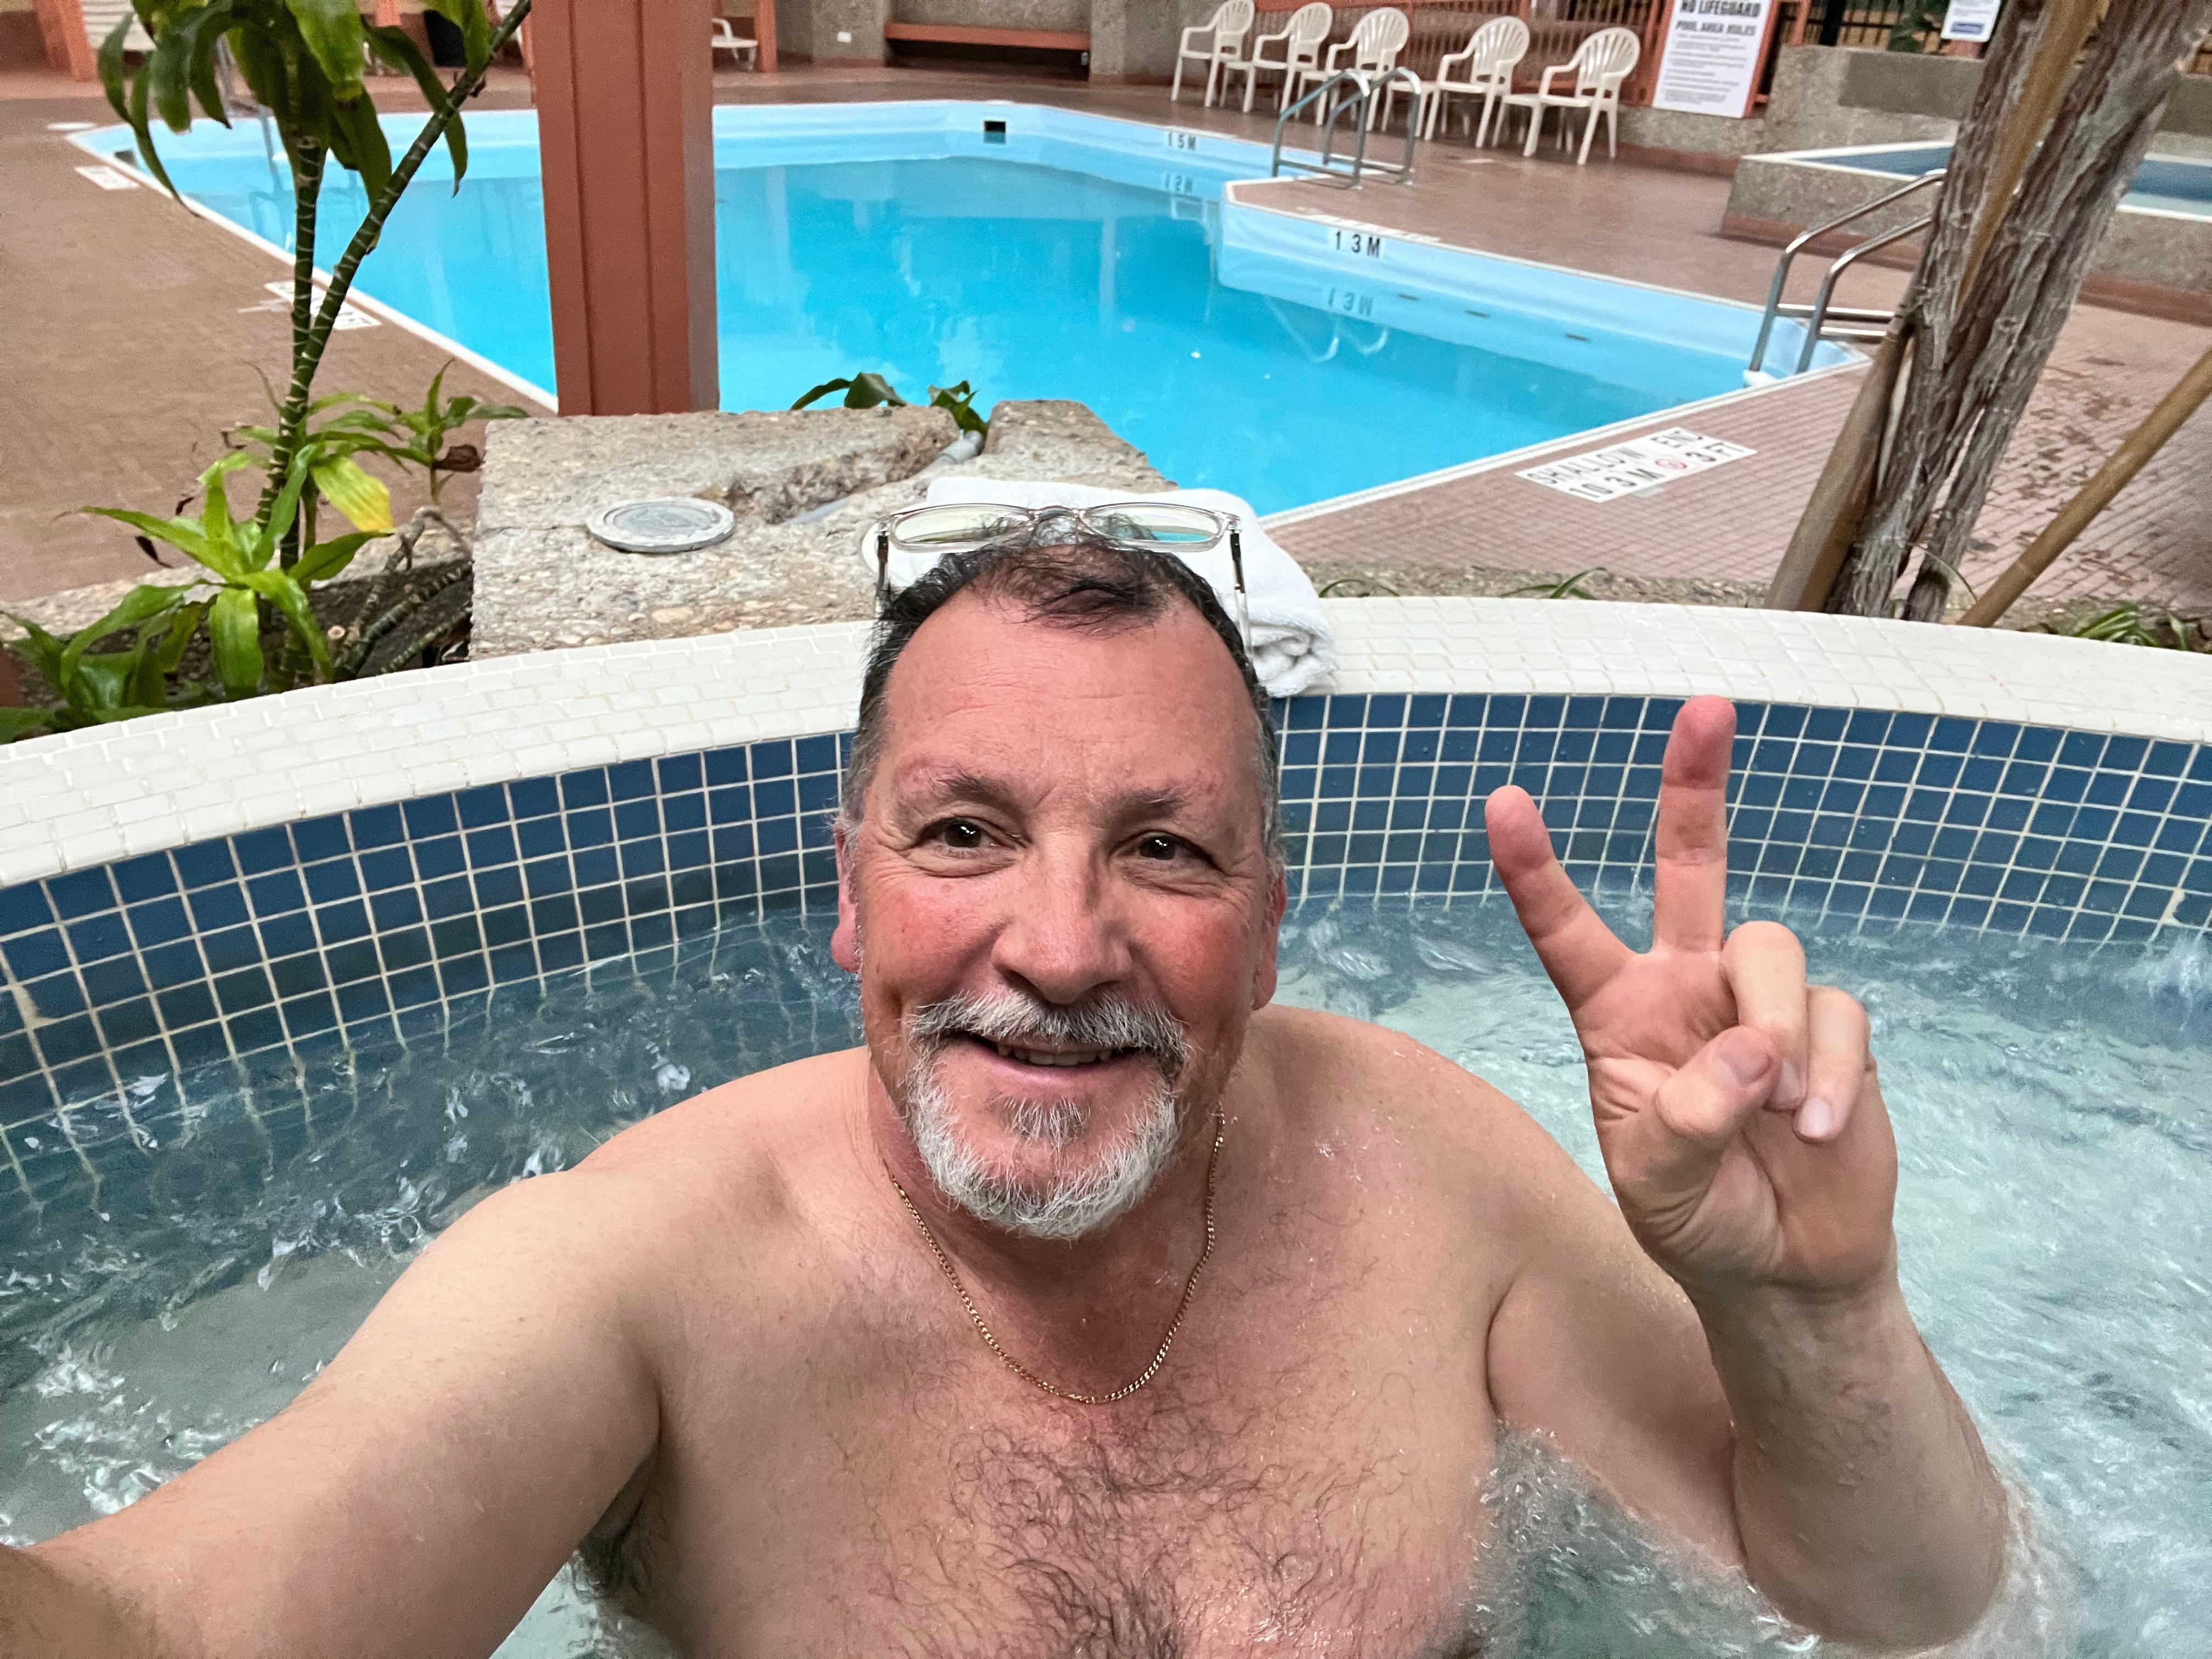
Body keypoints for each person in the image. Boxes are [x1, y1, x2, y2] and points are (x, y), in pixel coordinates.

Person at [2, 524, 2008, 1657]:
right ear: (849, 893)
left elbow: (1895, 1604)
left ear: (1272, 927)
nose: (1059, 946)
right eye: (965, 834)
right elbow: (163, 1626)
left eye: (1165, 850)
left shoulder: (1426, 1175)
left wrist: (1810, 1302)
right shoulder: (645, 1280)